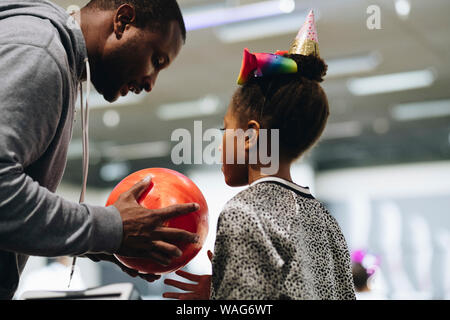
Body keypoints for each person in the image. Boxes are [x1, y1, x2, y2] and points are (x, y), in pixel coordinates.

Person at [0, 0, 200, 300]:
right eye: (156, 60)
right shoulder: (41, 52)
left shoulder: (55, 56)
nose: (150, 84)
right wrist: (108, 229)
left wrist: (102, 241)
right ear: (123, 20)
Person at [163, 10, 356, 300]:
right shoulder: (323, 218)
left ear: (250, 137)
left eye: (225, 129)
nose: (219, 145)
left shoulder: (244, 212)